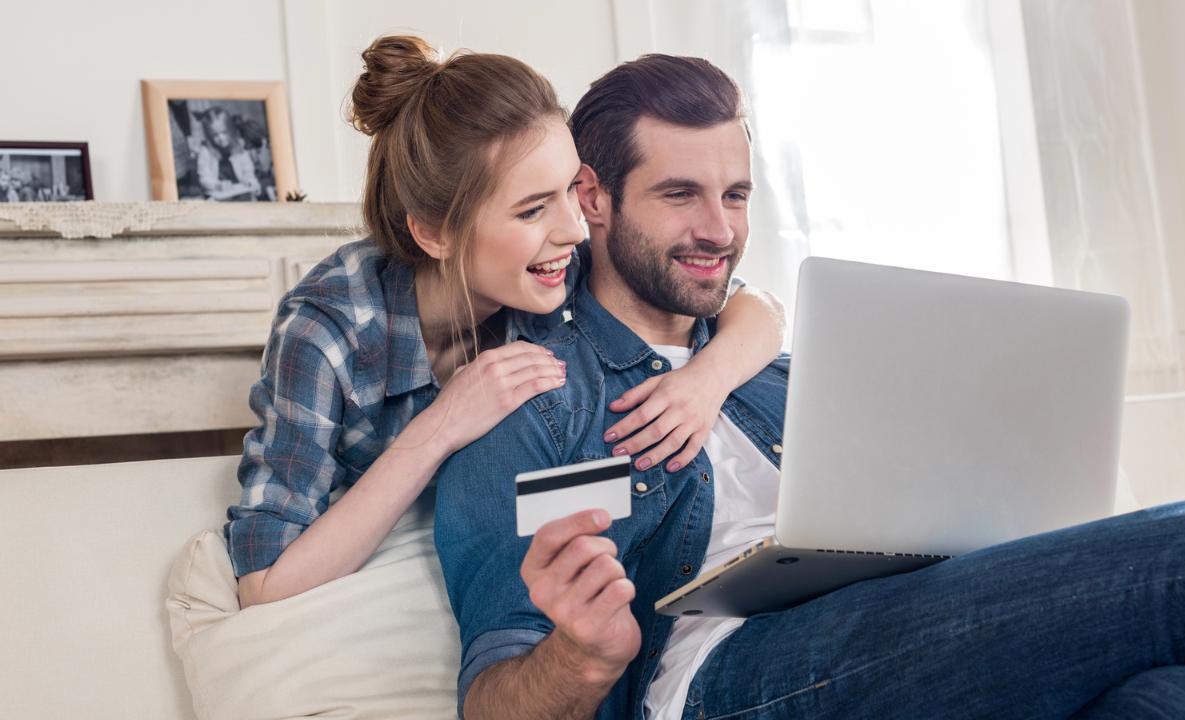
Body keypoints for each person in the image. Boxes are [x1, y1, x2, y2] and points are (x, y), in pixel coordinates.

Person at [432, 53, 1185, 719]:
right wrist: (583, 655)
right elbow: (495, 700)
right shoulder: (532, 403)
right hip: (722, 676)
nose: (720, 230)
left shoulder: (781, 370)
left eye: (735, 194)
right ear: (595, 197)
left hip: (892, 628)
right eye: (680, 194)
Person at [223, 37, 786, 611]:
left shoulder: (558, 264)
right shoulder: (327, 331)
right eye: (531, 209)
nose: (573, 227)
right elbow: (265, 584)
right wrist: (441, 427)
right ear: (435, 233)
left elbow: (757, 308)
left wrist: (704, 382)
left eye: (570, 190)